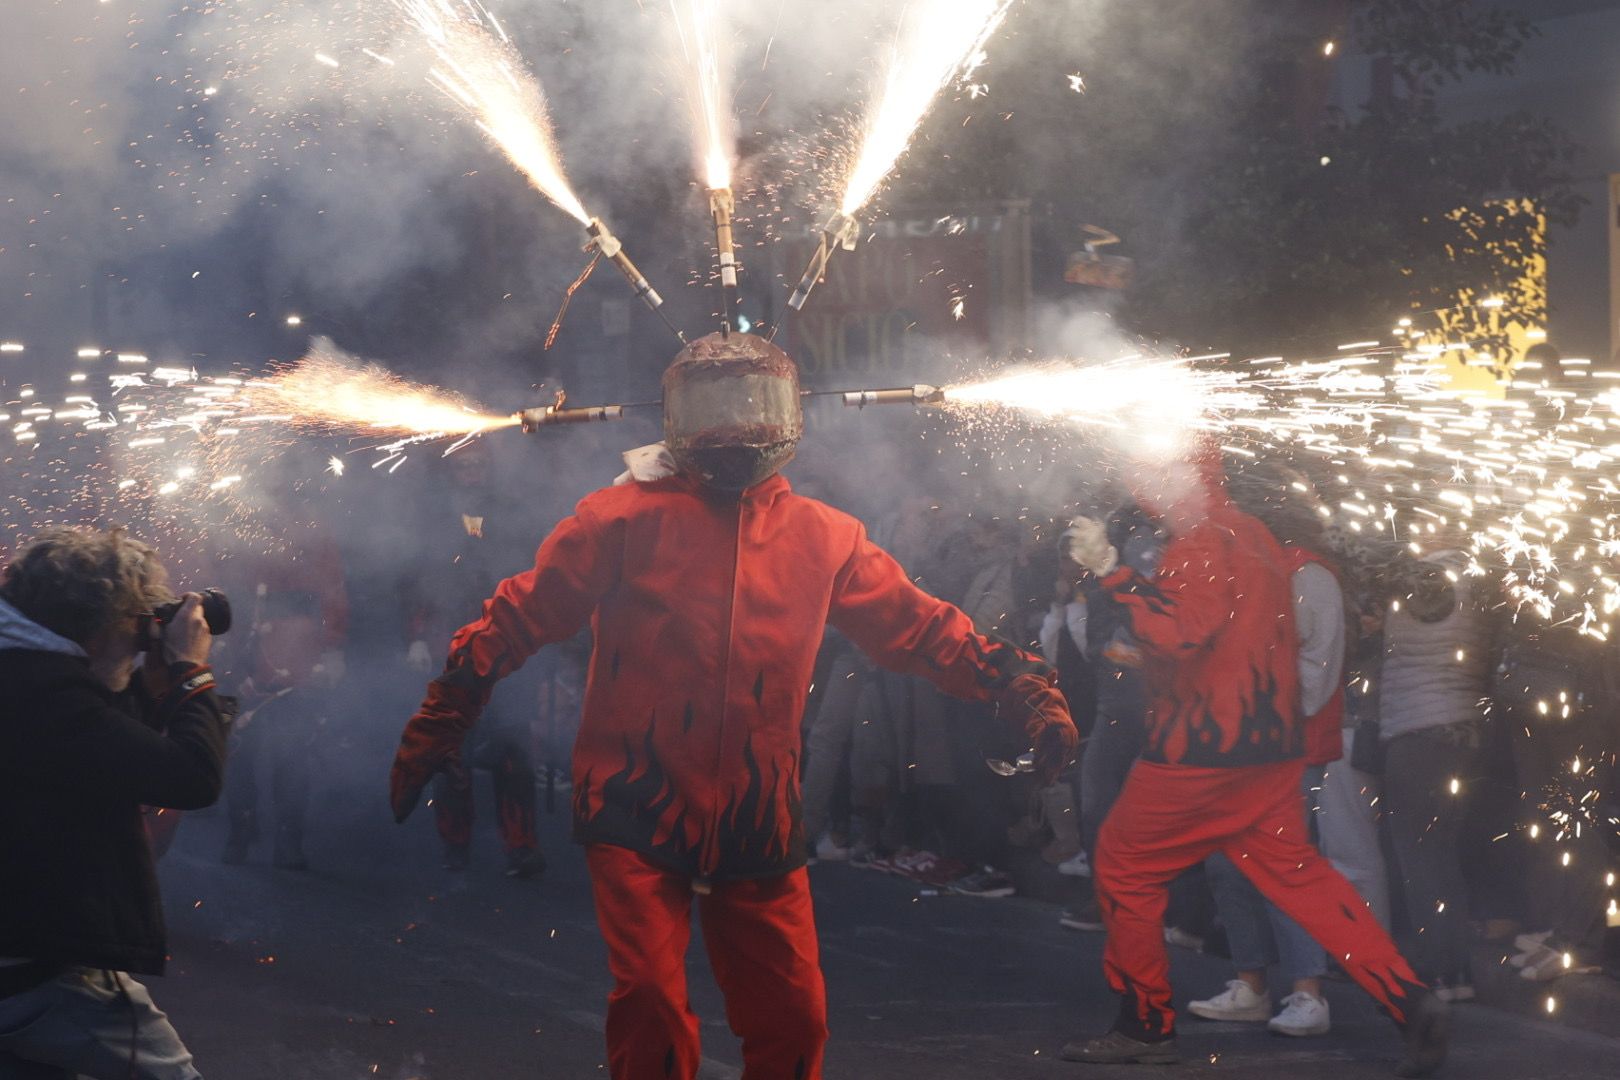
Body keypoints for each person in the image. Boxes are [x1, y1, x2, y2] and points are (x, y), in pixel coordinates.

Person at [388, 333, 1077, 1080]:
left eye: (755, 405)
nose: (736, 430)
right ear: (678, 417)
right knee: (650, 1003)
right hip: (634, 798)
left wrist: (1021, 687)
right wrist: (447, 709)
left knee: (795, 1020)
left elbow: (918, 627)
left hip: (758, 812)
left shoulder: (826, 536)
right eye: (717, 407)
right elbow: (521, 613)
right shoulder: (617, 519)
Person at [1057, 451, 1448, 1078]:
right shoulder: (1251, 533)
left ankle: (1145, 1024)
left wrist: (1110, 572)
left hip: (1201, 752)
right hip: (1267, 751)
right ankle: (1408, 999)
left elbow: (1180, 631)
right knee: (1300, 876)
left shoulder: (1201, 542)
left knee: (1124, 866)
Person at [0, 527, 229, 1080]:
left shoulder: (25, 673)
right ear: (100, 623)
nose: (141, 633)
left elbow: (106, 751)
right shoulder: (41, 695)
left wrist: (147, 683)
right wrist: (190, 672)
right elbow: (192, 778)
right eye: (135, 620)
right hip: (38, 965)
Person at [1188, 462, 1350, 1037]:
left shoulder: (1308, 577)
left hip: (1286, 753)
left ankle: (1309, 994)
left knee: (1282, 869)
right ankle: (1251, 983)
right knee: (1226, 869)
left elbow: (1316, 677)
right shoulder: (1254, 578)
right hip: (1241, 749)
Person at [401, 439, 546, 878]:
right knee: (453, 753)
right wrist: (417, 637)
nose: (473, 473)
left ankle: (521, 847)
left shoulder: (510, 515)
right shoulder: (434, 520)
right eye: (464, 467)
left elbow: (530, 574)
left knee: (514, 752)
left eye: (479, 465)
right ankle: (455, 845)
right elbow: (418, 579)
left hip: (504, 645)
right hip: (453, 645)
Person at [1377, 528, 1498, 1002]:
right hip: (1463, 730)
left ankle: (1437, 974)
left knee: (1420, 859)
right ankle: (1458, 972)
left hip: (1419, 732)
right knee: (1444, 855)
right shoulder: (1475, 581)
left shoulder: (1430, 578)